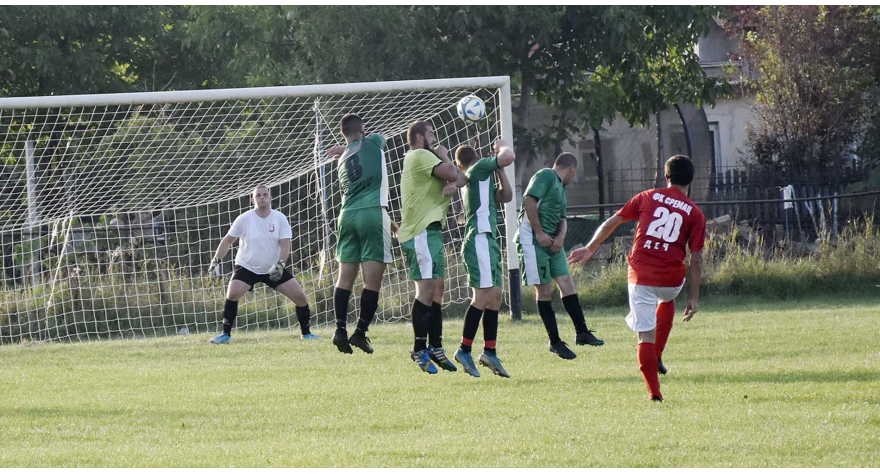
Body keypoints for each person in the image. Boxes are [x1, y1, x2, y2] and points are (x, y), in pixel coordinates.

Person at [568, 155, 706, 402]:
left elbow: (614, 221)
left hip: (641, 275)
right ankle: (658, 354)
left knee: (645, 336)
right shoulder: (695, 213)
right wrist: (693, 298)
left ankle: (654, 393)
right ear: (691, 180)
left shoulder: (648, 196)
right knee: (666, 300)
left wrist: (590, 247)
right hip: (672, 281)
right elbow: (696, 259)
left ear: (666, 177)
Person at [515, 152, 604, 360]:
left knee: (566, 282)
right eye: (575, 172)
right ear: (571, 168)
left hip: (553, 243)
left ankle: (582, 332)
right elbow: (528, 201)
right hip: (533, 242)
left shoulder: (562, 189)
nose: (574, 176)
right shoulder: (546, 175)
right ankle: (554, 342)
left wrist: (562, 237)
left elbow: (562, 218)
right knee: (544, 290)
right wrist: (539, 232)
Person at [398, 120, 468, 374]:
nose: (434, 137)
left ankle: (436, 346)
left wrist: (452, 178)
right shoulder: (419, 155)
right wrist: (445, 157)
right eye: (430, 133)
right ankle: (419, 348)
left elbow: (462, 177)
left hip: (432, 231)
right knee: (426, 290)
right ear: (418, 137)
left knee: (437, 288)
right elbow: (453, 174)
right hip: (420, 232)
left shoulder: (427, 157)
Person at [207, 185, 317, 343]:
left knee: (300, 298)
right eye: (258, 195)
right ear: (253, 200)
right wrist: (216, 260)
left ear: (270, 198)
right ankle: (225, 335)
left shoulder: (279, 218)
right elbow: (228, 241)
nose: (262, 197)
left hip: (273, 268)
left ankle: (306, 334)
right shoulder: (244, 218)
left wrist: (280, 264)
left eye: (265, 195)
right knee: (232, 293)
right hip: (247, 266)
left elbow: (285, 244)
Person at [324, 114, 393, 355]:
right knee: (372, 281)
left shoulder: (341, 158)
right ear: (363, 128)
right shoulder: (374, 140)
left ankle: (340, 329)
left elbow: (354, 149)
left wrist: (344, 146)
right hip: (372, 213)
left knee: (344, 279)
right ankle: (360, 333)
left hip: (346, 216)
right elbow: (375, 142)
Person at [452, 140, 515, 378]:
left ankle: (489, 352)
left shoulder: (482, 177)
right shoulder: (477, 170)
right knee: (483, 295)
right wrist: (502, 147)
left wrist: (499, 170)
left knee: (496, 296)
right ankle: (464, 350)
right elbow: (509, 156)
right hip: (478, 238)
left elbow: (507, 195)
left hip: (488, 240)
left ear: (458, 164)